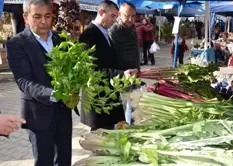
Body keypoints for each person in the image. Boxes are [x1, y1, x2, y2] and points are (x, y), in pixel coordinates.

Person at [6, 0, 78, 165]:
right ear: (26, 17)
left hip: (63, 112)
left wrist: (74, 86)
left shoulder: (62, 40)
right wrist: (53, 94)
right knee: (44, 161)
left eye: (47, 16)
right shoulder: (17, 44)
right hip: (38, 115)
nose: (44, 21)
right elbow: (24, 81)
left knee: (64, 159)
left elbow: (72, 72)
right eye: (37, 16)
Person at [79, 0, 137, 131]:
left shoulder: (104, 32)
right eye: (112, 16)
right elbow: (91, 70)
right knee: (100, 141)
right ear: (101, 12)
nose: (114, 20)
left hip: (108, 96)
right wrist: (121, 74)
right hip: (98, 101)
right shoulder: (88, 35)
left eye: (116, 16)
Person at [109, 2, 140, 72]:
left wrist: (138, 69)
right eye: (127, 16)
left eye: (133, 16)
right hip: (121, 73)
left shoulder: (132, 27)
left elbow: (136, 50)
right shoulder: (113, 30)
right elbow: (111, 55)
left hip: (134, 71)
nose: (130, 19)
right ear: (119, 14)